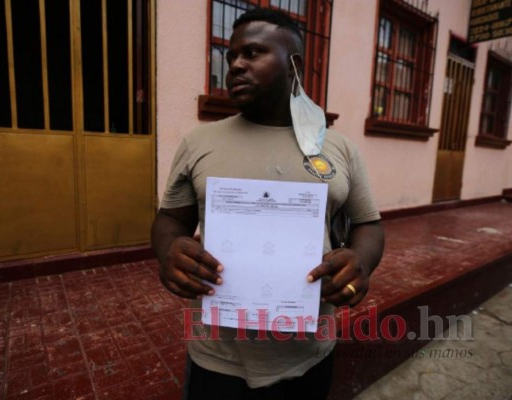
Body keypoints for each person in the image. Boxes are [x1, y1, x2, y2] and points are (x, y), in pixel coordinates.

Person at [151, 7, 384, 400]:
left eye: (253, 53)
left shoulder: (339, 147)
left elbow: (369, 224)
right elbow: (169, 220)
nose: (236, 65)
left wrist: (360, 262)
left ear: (293, 64)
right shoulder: (199, 143)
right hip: (217, 358)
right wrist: (168, 251)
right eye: (230, 56)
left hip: (308, 354)